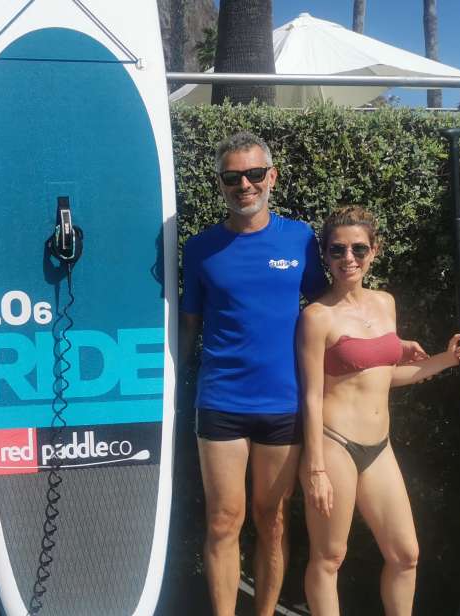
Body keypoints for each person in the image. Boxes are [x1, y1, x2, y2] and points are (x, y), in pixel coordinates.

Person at [178, 133, 424, 616]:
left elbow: (334, 308)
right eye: (232, 177)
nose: (243, 185)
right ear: (222, 184)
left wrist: (384, 348)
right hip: (221, 402)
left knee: (271, 521)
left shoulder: (300, 241)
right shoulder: (200, 248)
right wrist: (172, 385)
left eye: (253, 174)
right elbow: (189, 327)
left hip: (284, 406)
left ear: (271, 178)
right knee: (224, 521)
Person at [297, 205, 460, 616]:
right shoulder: (316, 317)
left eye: (358, 249)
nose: (348, 259)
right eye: (337, 250)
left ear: (374, 251)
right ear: (325, 256)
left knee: (406, 555)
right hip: (334, 445)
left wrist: (447, 359)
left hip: (379, 447)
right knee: (329, 558)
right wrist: (316, 468)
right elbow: (310, 395)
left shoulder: (385, 304)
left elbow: (385, 377)